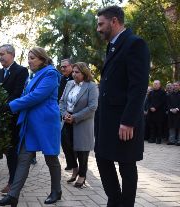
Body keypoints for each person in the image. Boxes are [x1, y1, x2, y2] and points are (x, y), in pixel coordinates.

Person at [0, 47, 62, 206]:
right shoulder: (34, 76)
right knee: (23, 159)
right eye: (29, 58)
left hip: (45, 124)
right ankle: (13, 195)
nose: (29, 61)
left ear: (43, 60)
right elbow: (26, 95)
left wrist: (11, 106)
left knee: (51, 158)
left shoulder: (50, 73)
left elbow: (36, 96)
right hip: (30, 123)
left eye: (33, 58)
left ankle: (56, 190)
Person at [95, 6, 150, 207]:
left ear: (115, 21)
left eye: (101, 24)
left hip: (124, 122)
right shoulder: (112, 46)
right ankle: (114, 201)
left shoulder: (135, 44)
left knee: (126, 166)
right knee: (102, 159)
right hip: (106, 120)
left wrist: (128, 121)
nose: (98, 29)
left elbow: (138, 87)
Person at [0, 44, 29, 194]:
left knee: (12, 151)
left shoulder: (21, 71)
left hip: (13, 117)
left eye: (2, 54)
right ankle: (13, 179)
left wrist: (1, 107)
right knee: (6, 150)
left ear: (11, 54)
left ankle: (12, 183)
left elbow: (16, 94)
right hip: (0, 118)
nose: (0, 57)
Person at [59, 62, 98, 188]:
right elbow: (62, 101)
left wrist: (75, 117)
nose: (74, 74)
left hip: (82, 121)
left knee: (82, 151)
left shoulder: (91, 86)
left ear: (84, 73)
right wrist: (65, 114)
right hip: (67, 119)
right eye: (73, 72)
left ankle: (82, 175)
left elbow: (92, 107)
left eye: (77, 72)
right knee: (66, 146)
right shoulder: (69, 83)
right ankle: (74, 169)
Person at [58, 58, 75, 171]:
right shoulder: (62, 79)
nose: (63, 68)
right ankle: (70, 163)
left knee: (74, 141)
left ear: (71, 66)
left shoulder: (76, 78)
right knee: (64, 140)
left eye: (65, 66)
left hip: (74, 114)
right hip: (62, 112)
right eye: (61, 67)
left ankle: (77, 165)